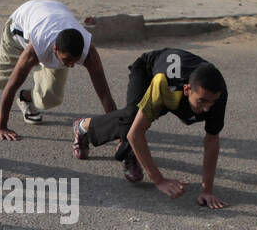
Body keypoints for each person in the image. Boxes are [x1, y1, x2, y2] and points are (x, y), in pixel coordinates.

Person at [71, 48, 228, 207]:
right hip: (148, 71)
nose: (208, 108)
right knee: (131, 118)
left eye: (211, 102)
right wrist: (159, 180)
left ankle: (131, 150)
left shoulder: (217, 95)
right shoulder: (163, 84)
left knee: (133, 126)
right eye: (202, 101)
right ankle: (83, 126)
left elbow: (212, 141)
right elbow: (135, 134)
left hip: (177, 88)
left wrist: (207, 190)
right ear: (187, 90)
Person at [0, 0, 116, 139]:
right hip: (17, 30)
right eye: (67, 61)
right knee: (3, 80)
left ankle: (25, 98)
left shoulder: (89, 53)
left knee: (50, 98)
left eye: (75, 61)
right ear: (55, 49)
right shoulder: (34, 51)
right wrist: (2, 127)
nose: (71, 66)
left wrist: (119, 134)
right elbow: (12, 86)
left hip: (50, 17)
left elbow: (105, 95)